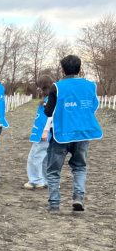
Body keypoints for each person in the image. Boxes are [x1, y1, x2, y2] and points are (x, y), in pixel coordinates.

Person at [43, 54, 102, 213]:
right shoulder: (91, 86)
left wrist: (46, 106)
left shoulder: (57, 87)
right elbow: (93, 107)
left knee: (54, 171)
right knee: (79, 167)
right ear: (80, 69)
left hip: (61, 134)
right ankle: (78, 197)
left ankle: (54, 204)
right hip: (82, 134)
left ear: (62, 70)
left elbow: (48, 112)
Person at [25, 75, 54, 190]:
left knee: (35, 156)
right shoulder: (49, 99)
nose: (38, 88)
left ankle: (36, 180)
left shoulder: (48, 100)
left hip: (43, 133)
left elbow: (50, 116)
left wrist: (45, 131)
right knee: (45, 158)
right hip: (45, 132)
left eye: (39, 86)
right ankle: (47, 181)